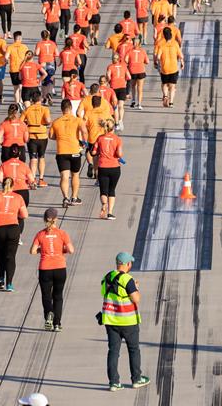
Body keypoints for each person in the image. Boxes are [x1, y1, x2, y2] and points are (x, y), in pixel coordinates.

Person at [101, 252, 151, 392]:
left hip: (111, 321)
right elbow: (136, 299)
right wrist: (135, 287)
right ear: (127, 264)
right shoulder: (128, 279)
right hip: (128, 321)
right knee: (133, 350)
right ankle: (136, 379)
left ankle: (114, 383)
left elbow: (103, 292)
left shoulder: (107, 277)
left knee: (113, 351)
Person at [31, 208, 75, 331]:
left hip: (45, 269)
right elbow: (71, 250)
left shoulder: (40, 234)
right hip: (60, 268)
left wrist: (42, 250)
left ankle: (49, 314)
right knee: (58, 296)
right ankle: (57, 323)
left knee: (46, 296)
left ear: (44, 220)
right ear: (56, 219)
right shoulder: (62, 233)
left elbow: (32, 251)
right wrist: (62, 250)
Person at [0, 177, 27, 291]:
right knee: (10, 256)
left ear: (2, 185)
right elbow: (24, 215)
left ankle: (1, 279)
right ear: (13, 186)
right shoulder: (18, 197)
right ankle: (9, 283)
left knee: (0, 255)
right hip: (13, 228)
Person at [93, 119, 124, 220]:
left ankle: (104, 204)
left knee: (103, 190)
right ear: (113, 128)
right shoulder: (117, 139)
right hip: (115, 167)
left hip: (103, 167)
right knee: (112, 190)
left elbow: (93, 152)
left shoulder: (100, 138)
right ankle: (110, 213)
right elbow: (119, 154)